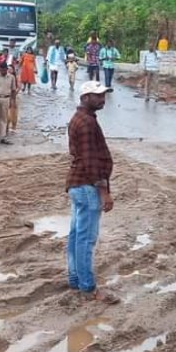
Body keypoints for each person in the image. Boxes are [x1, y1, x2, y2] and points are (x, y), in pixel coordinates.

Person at [65, 80, 119, 304]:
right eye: (97, 95)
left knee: (77, 235)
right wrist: (104, 191)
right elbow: (91, 162)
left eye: (103, 95)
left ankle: (75, 278)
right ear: (86, 98)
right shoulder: (86, 123)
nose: (102, 99)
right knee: (86, 239)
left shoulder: (81, 118)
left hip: (78, 184)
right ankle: (87, 288)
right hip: (87, 186)